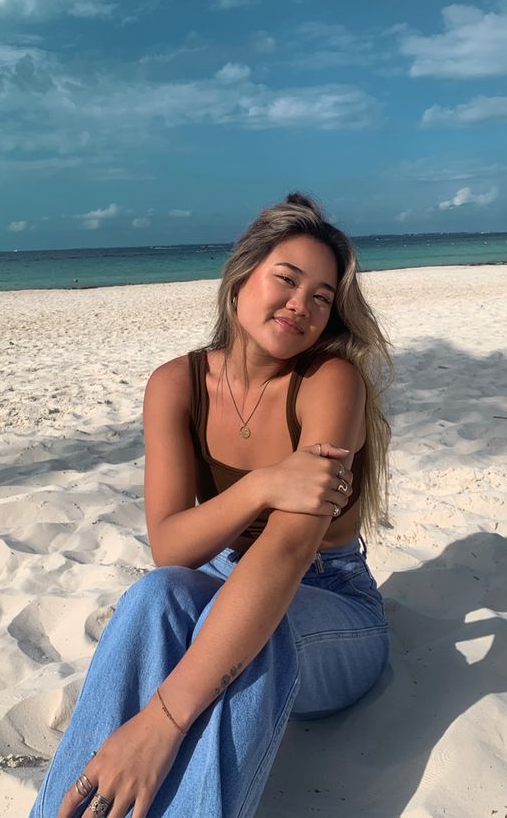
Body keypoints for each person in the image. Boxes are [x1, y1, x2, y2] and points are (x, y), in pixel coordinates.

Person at [31, 193, 392, 818]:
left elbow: (286, 550)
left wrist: (162, 723)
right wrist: (259, 485)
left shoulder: (330, 382)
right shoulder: (176, 383)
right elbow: (172, 547)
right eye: (286, 279)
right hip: (223, 577)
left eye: (322, 296)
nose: (301, 305)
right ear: (240, 278)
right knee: (155, 594)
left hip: (331, 600)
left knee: (256, 633)